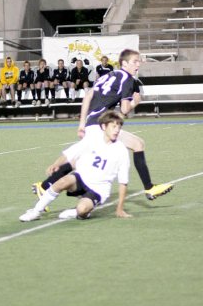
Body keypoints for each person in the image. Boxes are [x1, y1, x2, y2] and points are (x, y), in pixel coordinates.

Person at [33, 48, 173, 202]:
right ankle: (149, 188)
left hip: (92, 123)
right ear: (124, 63)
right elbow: (125, 109)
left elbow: (87, 97)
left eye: (139, 61)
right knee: (137, 144)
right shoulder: (127, 79)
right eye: (135, 61)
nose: (138, 64)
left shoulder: (107, 76)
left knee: (77, 160)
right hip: (101, 125)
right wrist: (136, 102)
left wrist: (81, 124)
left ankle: (44, 186)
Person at [20, 111, 131, 221]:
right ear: (104, 126)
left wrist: (120, 208)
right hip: (81, 178)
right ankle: (35, 211)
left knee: (82, 210)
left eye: (119, 127)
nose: (117, 130)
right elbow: (71, 153)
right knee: (62, 181)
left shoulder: (121, 150)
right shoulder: (92, 139)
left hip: (99, 189)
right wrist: (56, 164)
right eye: (114, 126)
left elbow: (123, 182)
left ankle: (79, 212)